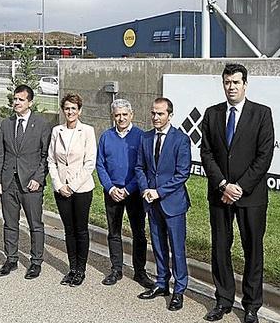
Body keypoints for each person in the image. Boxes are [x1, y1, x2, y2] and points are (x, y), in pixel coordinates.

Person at [199, 63, 275, 323]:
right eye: (227, 82)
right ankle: (223, 299)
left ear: (245, 84)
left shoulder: (262, 114)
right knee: (220, 248)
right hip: (220, 195)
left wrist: (239, 187)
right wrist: (222, 184)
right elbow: (206, 153)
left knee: (253, 250)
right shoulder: (212, 114)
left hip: (251, 196)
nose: (231, 87)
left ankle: (252, 305)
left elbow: (264, 156)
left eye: (236, 82)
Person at [134, 97, 191, 311]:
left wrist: (159, 191)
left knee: (177, 248)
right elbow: (139, 167)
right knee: (158, 245)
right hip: (151, 201)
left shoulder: (181, 139)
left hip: (173, 203)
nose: (156, 117)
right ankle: (161, 283)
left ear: (170, 115)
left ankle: (179, 288)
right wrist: (146, 190)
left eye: (160, 114)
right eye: (153, 113)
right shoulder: (145, 138)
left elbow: (182, 173)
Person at [0, 84, 51, 280]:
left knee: (35, 224)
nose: (16, 102)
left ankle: (36, 262)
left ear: (30, 102)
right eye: (15, 99)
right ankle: (11, 259)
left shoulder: (41, 124)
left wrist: (38, 178)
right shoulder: (6, 124)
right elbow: (0, 154)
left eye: (21, 99)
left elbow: (45, 156)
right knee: (10, 223)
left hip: (31, 184)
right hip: (9, 182)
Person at [95, 99, 153, 289]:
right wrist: (110, 188)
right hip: (112, 192)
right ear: (113, 116)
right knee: (114, 232)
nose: (121, 118)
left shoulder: (141, 137)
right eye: (117, 115)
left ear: (131, 115)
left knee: (139, 233)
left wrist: (128, 188)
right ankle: (116, 269)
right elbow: (100, 164)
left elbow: (143, 167)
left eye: (124, 114)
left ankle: (140, 271)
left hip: (134, 192)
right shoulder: (106, 137)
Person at [47, 93, 97, 286]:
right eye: (67, 108)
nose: (70, 112)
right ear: (63, 110)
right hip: (61, 189)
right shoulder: (56, 131)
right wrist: (59, 185)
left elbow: (89, 163)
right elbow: (51, 160)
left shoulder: (87, 131)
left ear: (79, 111)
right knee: (69, 230)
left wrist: (72, 186)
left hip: (81, 189)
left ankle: (81, 270)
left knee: (81, 230)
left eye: (73, 108)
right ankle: (72, 268)